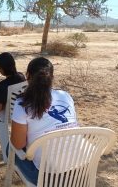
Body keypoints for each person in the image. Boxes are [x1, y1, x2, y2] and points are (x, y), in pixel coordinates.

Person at [10, 57, 78, 185]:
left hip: (47, 177)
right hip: (79, 171)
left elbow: (18, 145)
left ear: (27, 75)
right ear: (52, 77)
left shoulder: (22, 104)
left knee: (10, 147)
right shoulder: (66, 96)